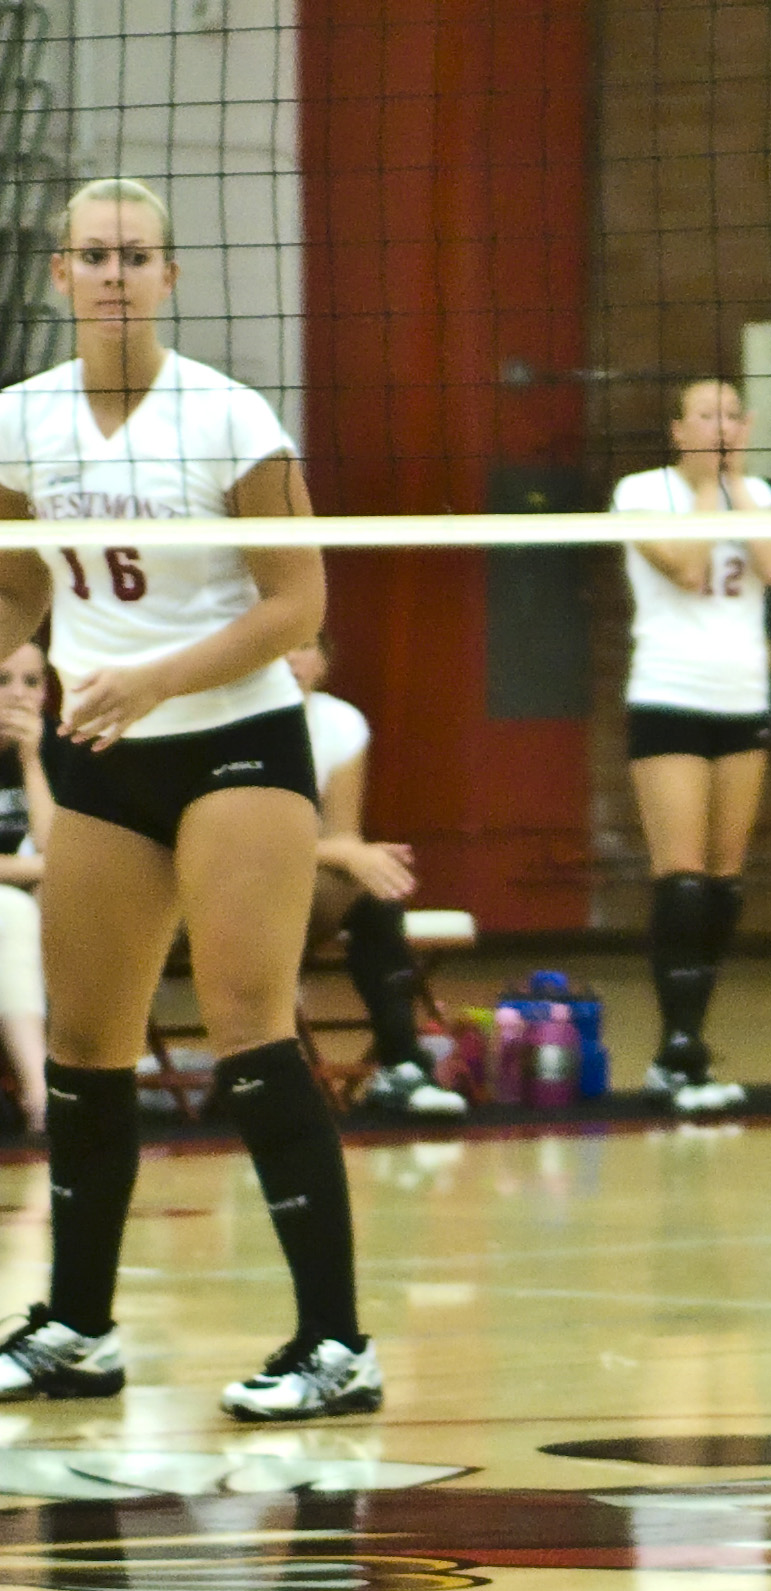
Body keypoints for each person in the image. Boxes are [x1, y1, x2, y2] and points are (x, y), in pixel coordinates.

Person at [0, 177, 377, 1419]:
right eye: (92, 255)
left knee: (247, 1026)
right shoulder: (22, 420)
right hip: (108, 755)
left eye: (136, 255)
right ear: (59, 275)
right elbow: (16, 586)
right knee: (84, 1045)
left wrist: (147, 677)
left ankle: (335, 1343)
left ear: (169, 277)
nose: (113, 273)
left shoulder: (228, 418)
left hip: (234, 741)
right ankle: (77, 1327)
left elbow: (295, 608)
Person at [612, 378, 771, 1114]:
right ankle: (675, 1050)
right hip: (667, 694)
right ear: (678, 428)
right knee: (681, 878)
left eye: (730, 414)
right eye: (705, 415)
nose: (720, 426)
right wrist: (711, 488)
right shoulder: (639, 492)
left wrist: (736, 486)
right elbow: (685, 566)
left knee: (723, 884)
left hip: (741, 698)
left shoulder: (763, 497)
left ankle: (693, 1040)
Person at [286, 635, 466, 1117]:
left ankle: (401, 1064)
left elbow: (342, 836)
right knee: (351, 872)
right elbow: (233, 846)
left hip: (297, 884)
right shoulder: (225, 725)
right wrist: (346, 855)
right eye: (275, 646)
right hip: (221, 890)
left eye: (302, 646)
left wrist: (357, 857)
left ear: (324, 660)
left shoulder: (340, 723)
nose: (289, 659)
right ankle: (258, 1071)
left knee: (372, 886)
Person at [0, 641, 52, 1130]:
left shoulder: (58, 748)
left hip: (30, 904)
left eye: (31, 682)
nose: (17, 695)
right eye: (2, 680)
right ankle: (40, 1091)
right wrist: (40, 870)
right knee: (11, 911)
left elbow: (59, 852)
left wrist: (32, 762)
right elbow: (51, 864)